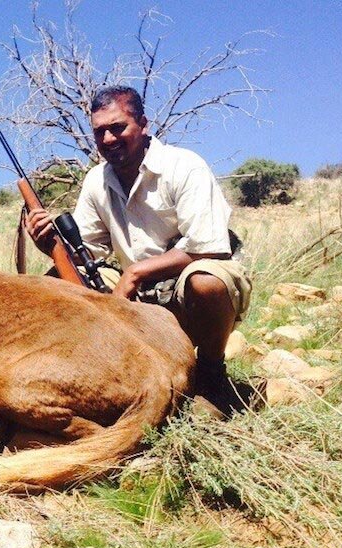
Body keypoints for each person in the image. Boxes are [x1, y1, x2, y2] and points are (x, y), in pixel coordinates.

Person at [25, 85, 256, 412]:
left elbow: (209, 247)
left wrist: (134, 272)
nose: (108, 140)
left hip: (181, 292)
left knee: (207, 282)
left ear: (143, 124)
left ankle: (210, 375)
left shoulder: (184, 166)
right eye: (99, 132)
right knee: (53, 284)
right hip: (134, 298)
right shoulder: (96, 180)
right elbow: (86, 254)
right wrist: (50, 246)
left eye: (118, 128)